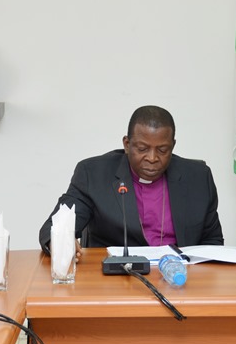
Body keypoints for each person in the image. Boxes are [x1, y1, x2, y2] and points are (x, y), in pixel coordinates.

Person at [38, 105, 224, 253]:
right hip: (116, 278)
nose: (152, 158)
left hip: (180, 277)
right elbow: (54, 228)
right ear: (127, 144)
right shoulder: (93, 174)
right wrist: (59, 242)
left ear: (172, 146)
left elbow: (213, 242)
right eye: (142, 149)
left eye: (162, 150)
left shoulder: (198, 177)